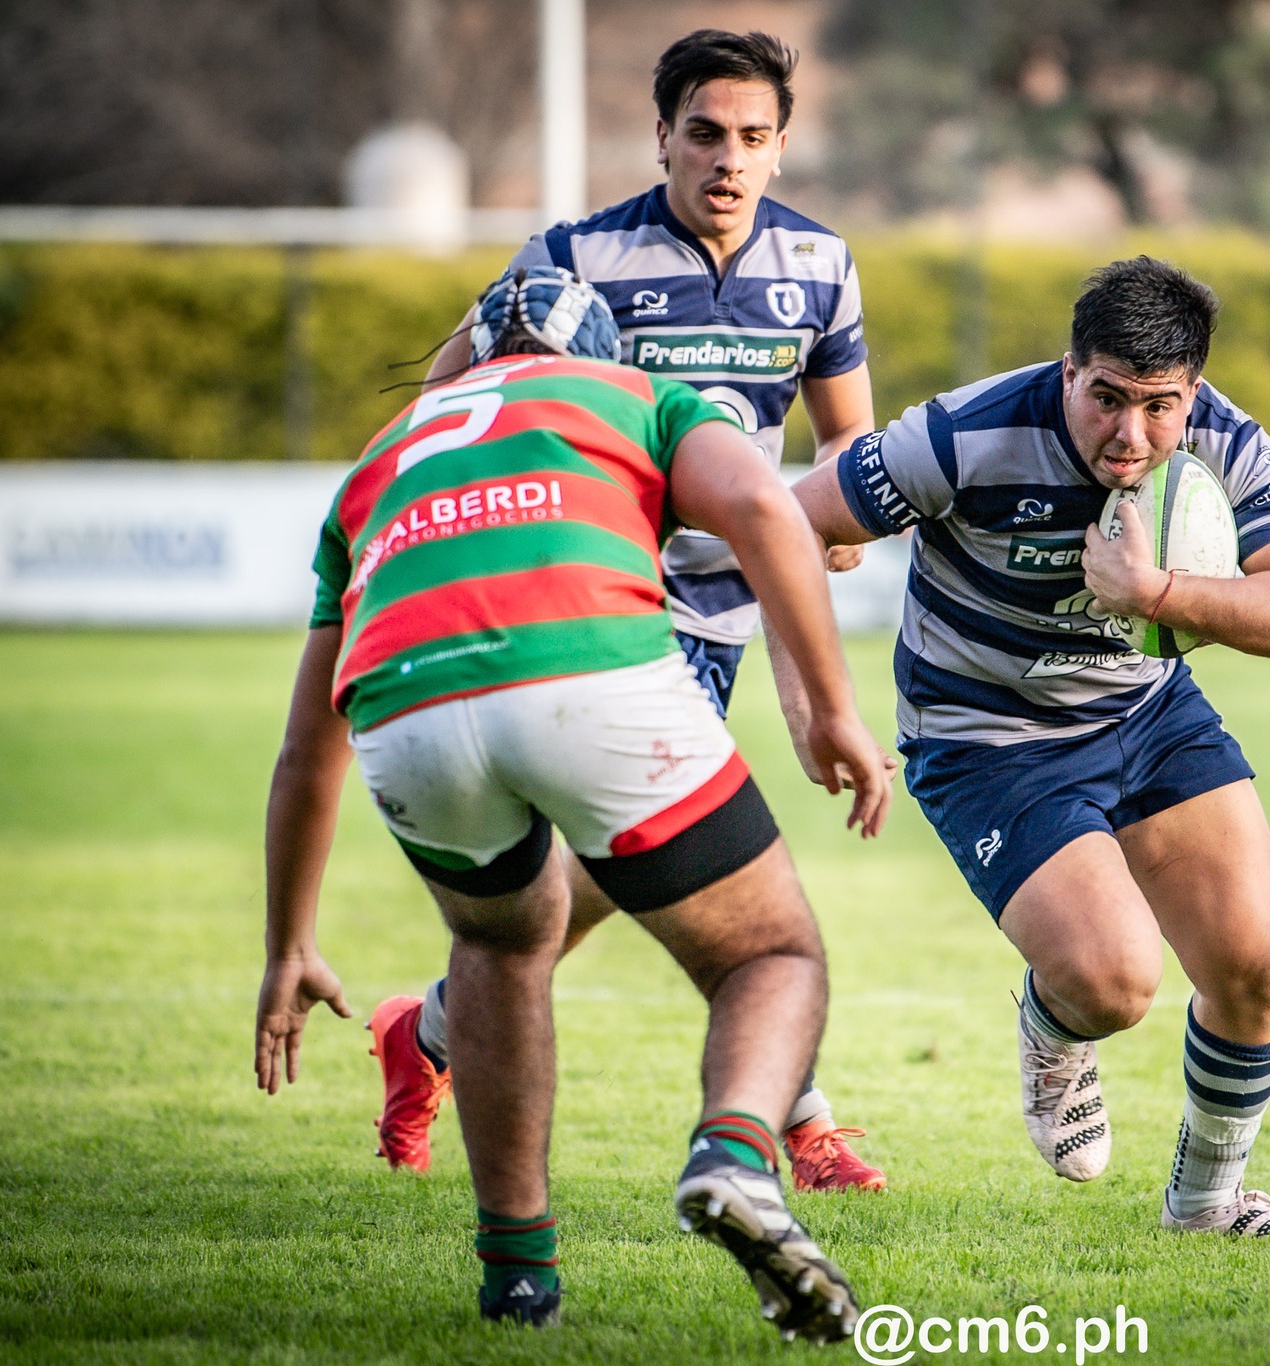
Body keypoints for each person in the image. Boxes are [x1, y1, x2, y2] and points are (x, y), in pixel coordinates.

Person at [254, 266, 887, 1336]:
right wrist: (829, 706)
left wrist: (287, 944)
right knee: (766, 954)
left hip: (403, 712)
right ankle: (736, 1158)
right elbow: (760, 508)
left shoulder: (376, 464)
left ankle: (518, 1279)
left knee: (502, 946)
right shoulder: (630, 394)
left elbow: (303, 748)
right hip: (584, 673)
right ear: (598, 352)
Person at [391, 27, 885, 1193]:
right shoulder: (573, 254)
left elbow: (846, 439)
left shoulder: (820, 263)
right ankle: (786, 1121)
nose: (728, 160)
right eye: (705, 134)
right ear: (659, 133)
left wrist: (828, 516)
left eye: (754, 139)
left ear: (779, 146)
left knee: (632, 873)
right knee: (704, 876)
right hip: (599, 603)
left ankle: (430, 1034)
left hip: (723, 609)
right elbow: (446, 392)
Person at [776, 256, 1270, 1240]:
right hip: (987, 732)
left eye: (1159, 407)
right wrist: (813, 706)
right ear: (1066, 372)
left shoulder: (1224, 444)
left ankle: (1207, 1205)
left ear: (1195, 393)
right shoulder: (963, 434)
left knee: (1253, 966)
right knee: (1112, 980)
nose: (1130, 435)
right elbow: (790, 523)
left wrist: (1161, 597)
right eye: (1106, 400)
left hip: (1144, 712)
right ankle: (1055, 1030)